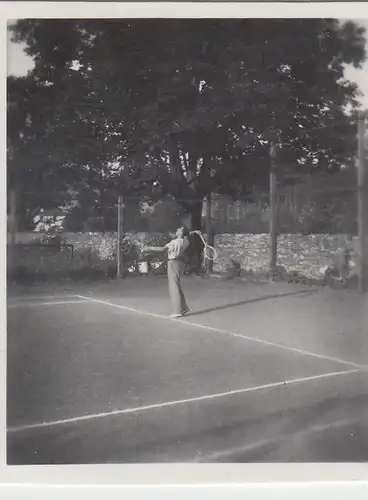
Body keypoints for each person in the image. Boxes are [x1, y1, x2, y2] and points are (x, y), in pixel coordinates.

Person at [144, 227, 190, 318]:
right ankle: (183, 307)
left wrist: (148, 247)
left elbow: (162, 249)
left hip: (173, 263)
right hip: (180, 263)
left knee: (174, 287)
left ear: (181, 233)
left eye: (179, 230)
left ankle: (177, 311)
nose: (176, 230)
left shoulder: (175, 242)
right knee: (177, 285)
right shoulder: (186, 241)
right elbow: (185, 238)